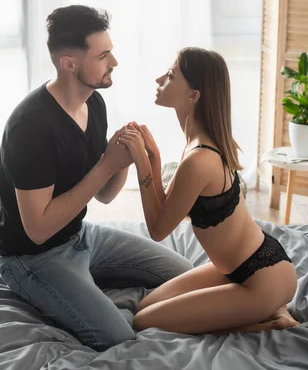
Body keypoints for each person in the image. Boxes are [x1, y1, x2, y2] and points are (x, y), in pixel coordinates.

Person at [0, 5, 192, 351]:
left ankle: (106, 294)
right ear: (69, 63)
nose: (113, 62)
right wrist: (105, 164)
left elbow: (104, 195)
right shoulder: (30, 126)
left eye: (111, 52)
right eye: (103, 56)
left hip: (80, 236)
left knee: (186, 273)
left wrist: (125, 159)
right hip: (32, 259)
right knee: (117, 337)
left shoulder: (94, 104)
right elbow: (38, 229)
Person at [118, 47, 299, 336]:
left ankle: (269, 318)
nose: (158, 79)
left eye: (171, 76)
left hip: (262, 279)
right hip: (237, 268)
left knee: (143, 322)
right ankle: (267, 307)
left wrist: (140, 162)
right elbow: (167, 208)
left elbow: (158, 228)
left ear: (194, 95)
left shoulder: (198, 159)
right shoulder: (199, 143)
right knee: (145, 306)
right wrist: (152, 156)